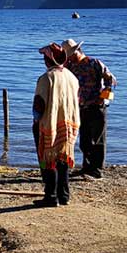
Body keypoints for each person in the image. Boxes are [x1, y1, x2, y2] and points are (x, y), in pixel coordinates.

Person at [32, 43, 80, 207]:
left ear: (48, 59)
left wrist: (36, 120)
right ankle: (64, 195)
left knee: (48, 157)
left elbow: (39, 103)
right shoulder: (71, 76)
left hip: (50, 122)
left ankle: (51, 196)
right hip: (69, 122)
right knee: (63, 159)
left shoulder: (46, 78)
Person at [61, 39, 117, 179]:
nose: (70, 58)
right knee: (84, 139)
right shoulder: (69, 66)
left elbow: (111, 80)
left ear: (78, 52)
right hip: (79, 107)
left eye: (71, 55)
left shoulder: (95, 63)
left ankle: (97, 169)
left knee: (98, 139)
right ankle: (86, 167)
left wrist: (103, 98)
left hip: (97, 106)